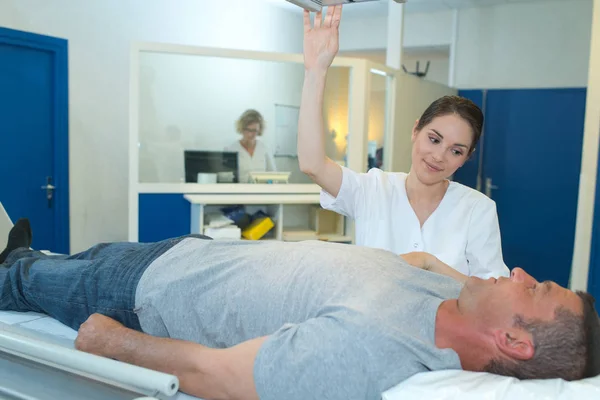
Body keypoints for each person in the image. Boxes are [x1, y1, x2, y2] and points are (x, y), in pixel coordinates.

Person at [0, 219, 598, 400]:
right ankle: (23, 257)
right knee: (74, 255)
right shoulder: (450, 300)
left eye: (535, 288)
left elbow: (221, 375)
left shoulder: (371, 352)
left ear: (515, 342)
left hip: (141, 295)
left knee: (28, 282)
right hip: (187, 254)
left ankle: (13, 266)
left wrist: (112, 343)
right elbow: (420, 260)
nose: (518, 272)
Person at [298, 6, 508, 279]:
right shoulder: (373, 190)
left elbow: (489, 294)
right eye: (434, 139)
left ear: (467, 157)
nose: (439, 156)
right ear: (415, 130)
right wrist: (316, 71)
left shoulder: (477, 209)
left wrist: (428, 263)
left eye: (456, 150)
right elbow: (312, 164)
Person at [226, 109, 277, 183]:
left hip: (261, 192)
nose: (250, 134)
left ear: (259, 130)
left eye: (254, 131)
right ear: (241, 128)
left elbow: (273, 176)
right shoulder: (231, 149)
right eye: (247, 130)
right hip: (240, 193)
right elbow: (225, 179)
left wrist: (269, 182)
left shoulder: (264, 149)